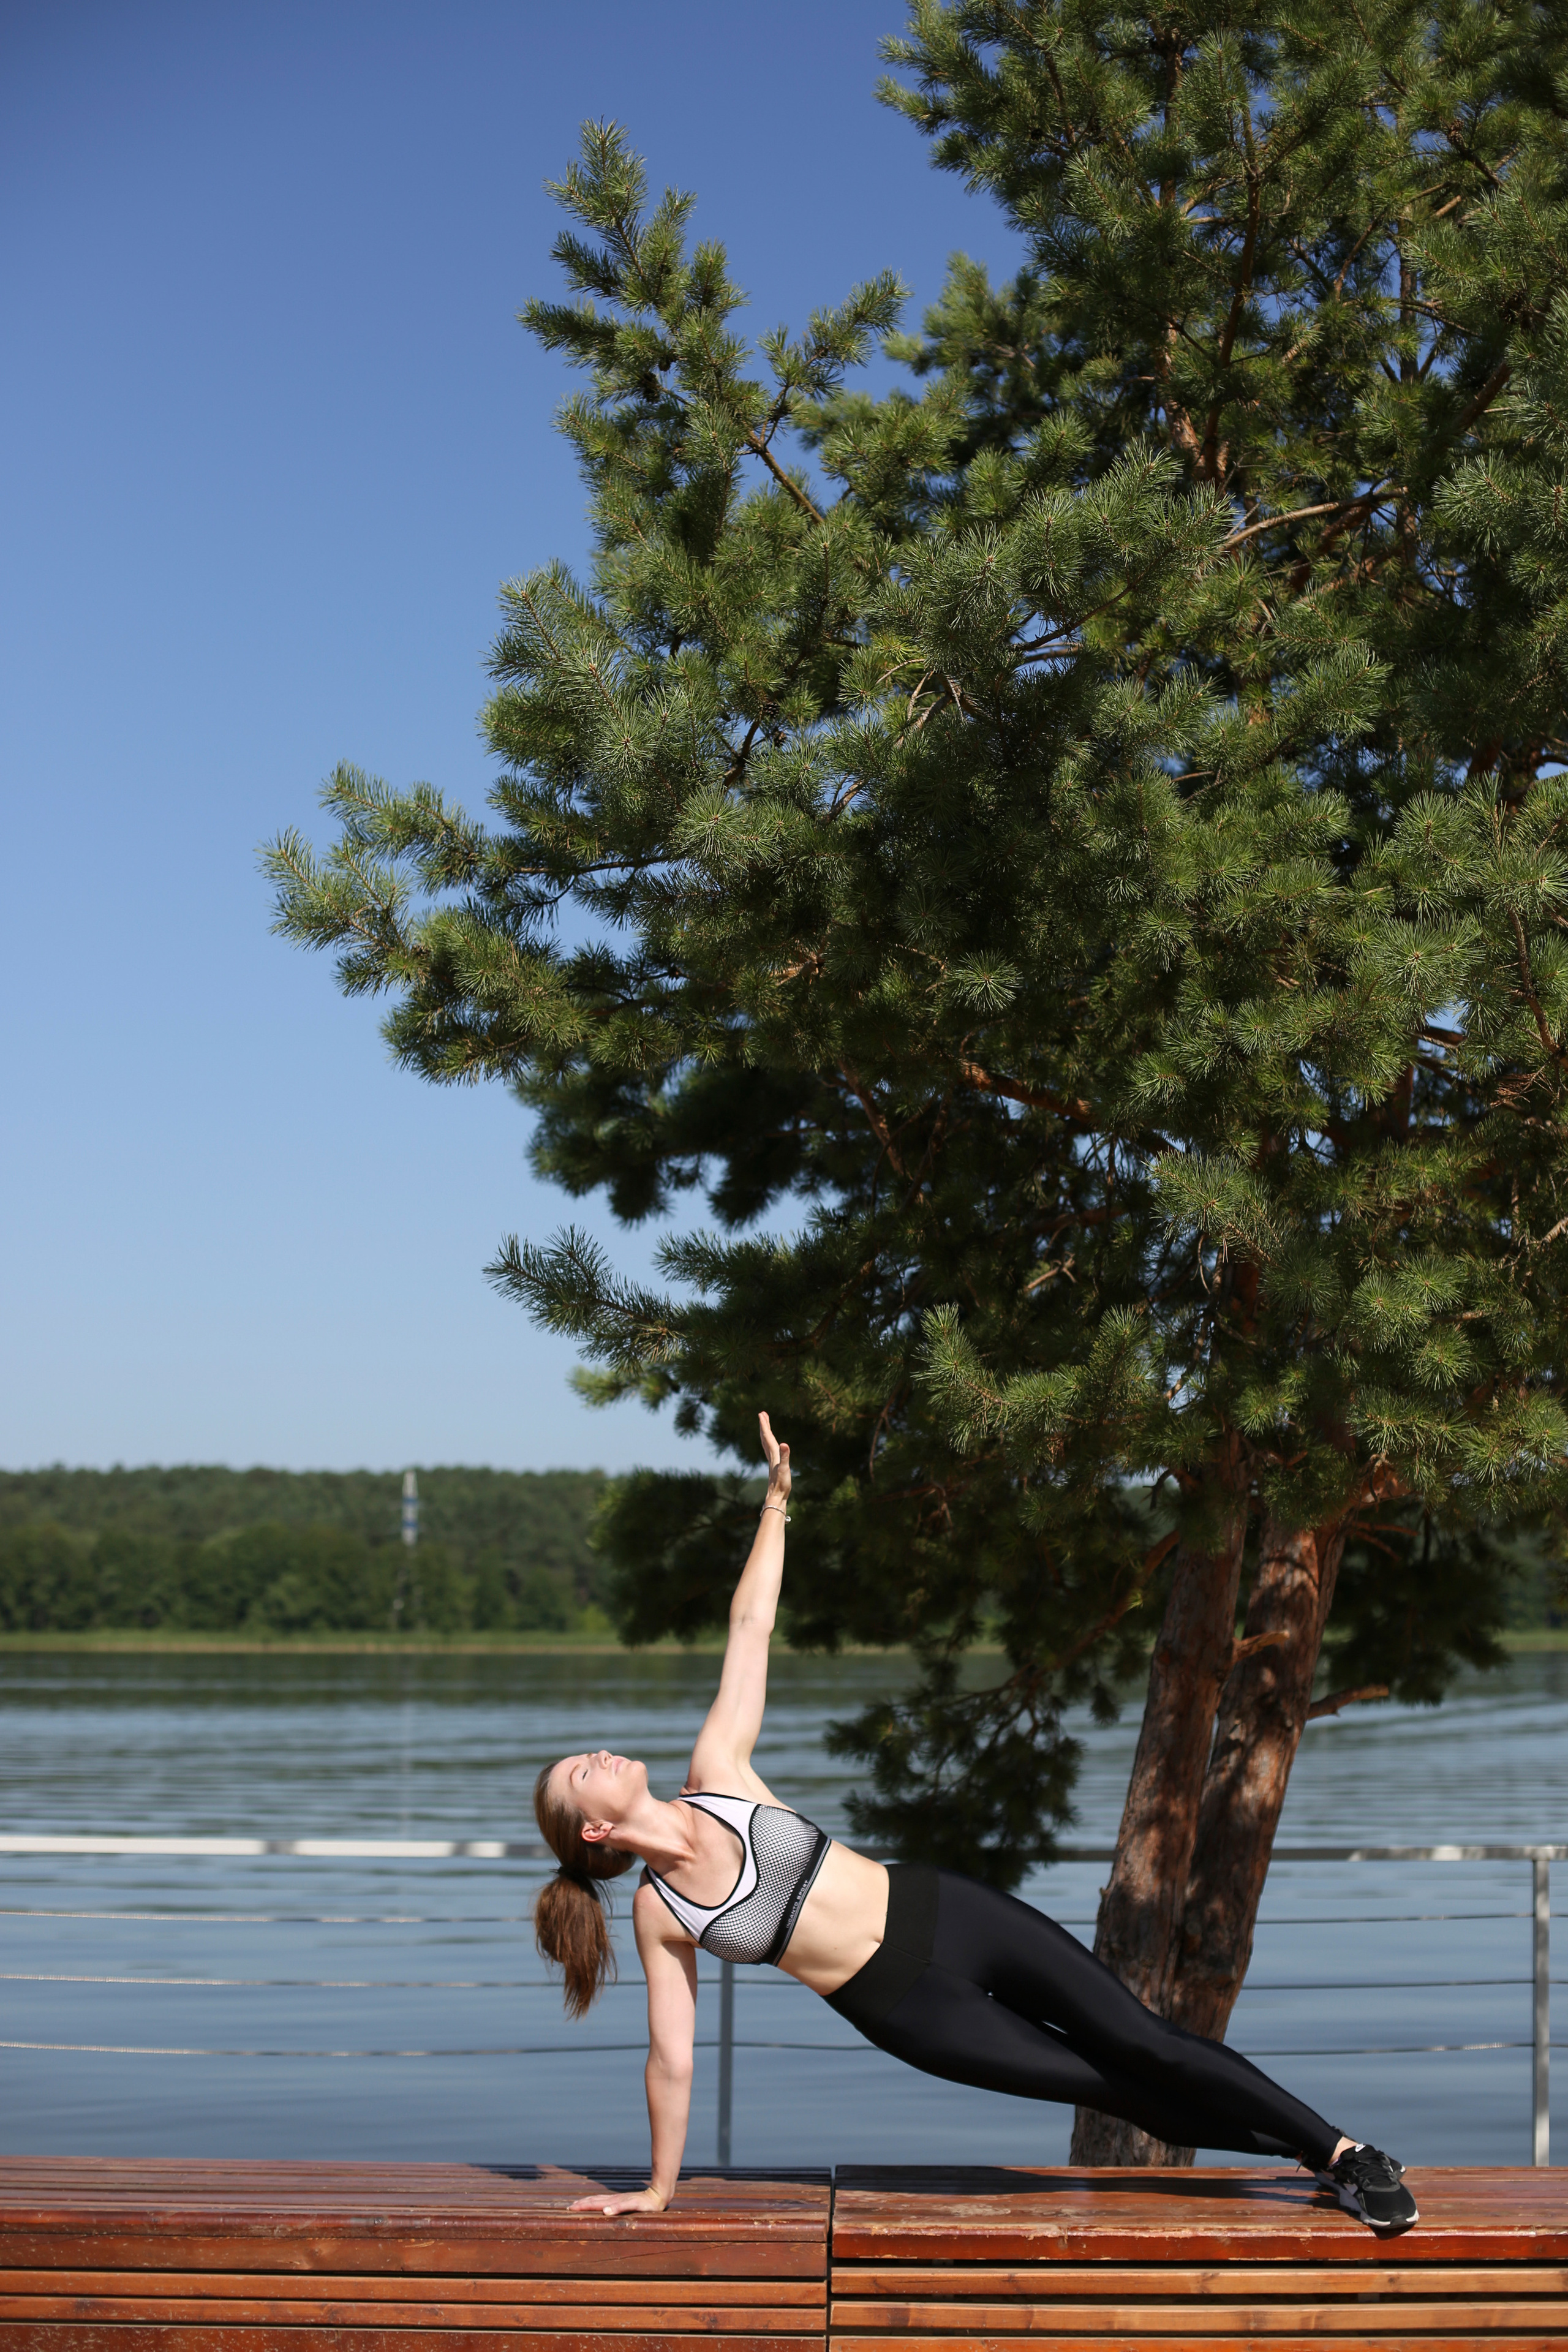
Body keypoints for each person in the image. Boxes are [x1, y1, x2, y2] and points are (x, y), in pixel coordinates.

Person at [533, 1412, 1417, 2236]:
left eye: (587, 1754)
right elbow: (672, 2060)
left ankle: (1342, 2151)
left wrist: (776, 1500)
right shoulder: (663, 1914)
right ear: (595, 1835)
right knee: (1112, 2088)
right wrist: (656, 2189)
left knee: (1148, 2042)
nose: (600, 1757)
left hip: (945, 1912)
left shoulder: (717, 1774)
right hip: (905, 2007)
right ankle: (1310, 2155)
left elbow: (751, 1625)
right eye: (583, 1775)